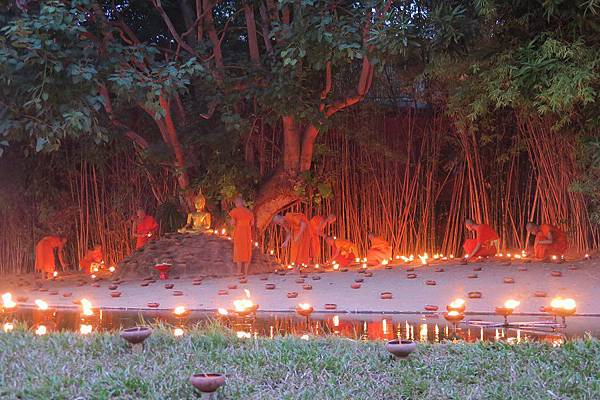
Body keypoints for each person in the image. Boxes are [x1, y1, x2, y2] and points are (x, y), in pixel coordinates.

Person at [229, 196, 254, 276]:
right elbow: (252, 224)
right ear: (243, 203)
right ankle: (246, 272)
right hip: (247, 232)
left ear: (236, 203)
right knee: (247, 250)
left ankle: (239, 271)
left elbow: (232, 223)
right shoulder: (249, 212)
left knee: (238, 251)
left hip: (239, 232)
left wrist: (231, 223)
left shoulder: (235, 211)